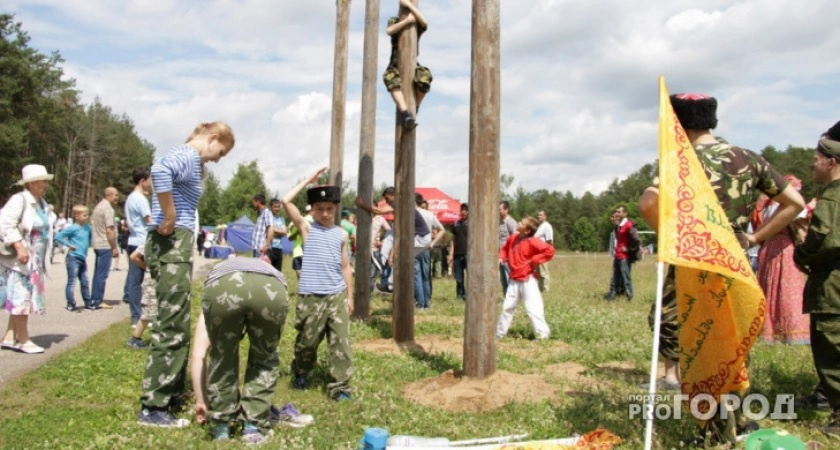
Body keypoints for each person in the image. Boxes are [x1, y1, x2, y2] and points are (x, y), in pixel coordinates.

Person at [638, 93, 804, 444]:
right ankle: (738, 421)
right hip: (735, 264)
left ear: (678, 124)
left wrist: (675, 239)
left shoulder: (679, 162)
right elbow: (794, 203)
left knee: (693, 340)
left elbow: (648, 202)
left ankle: (711, 428)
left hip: (693, 266)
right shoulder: (748, 158)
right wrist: (754, 238)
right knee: (733, 343)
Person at [137, 121, 235, 428]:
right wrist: (170, 214)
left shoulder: (189, 158)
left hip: (174, 243)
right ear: (213, 138)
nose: (218, 159)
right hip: (172, 242)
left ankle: (171, 394)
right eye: (221, 152)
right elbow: (159, 171)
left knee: (177, 321)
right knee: (171, 325)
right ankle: (154, 406)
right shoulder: (188, 155)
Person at [282, 166, 354, 401]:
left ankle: (341, 387)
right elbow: (286, 201)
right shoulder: (307, 227)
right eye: (320, 209)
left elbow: (345, 267)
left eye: (329, 209)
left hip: (336, 295)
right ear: (312, 209)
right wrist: (309, 180)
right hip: (311, 295)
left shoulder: (341, 234)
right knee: (307, 343)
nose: (324, 213)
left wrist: (350, 297)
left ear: (336, 209)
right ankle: (301, 372)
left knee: (340, 342)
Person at [199, 256, 290, 443]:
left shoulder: (222, 267)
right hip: (270, 287)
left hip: (223, 285)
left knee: (222, 355)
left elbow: (199, 353)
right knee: (264, 356)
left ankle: (221, 427)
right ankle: (253, 426)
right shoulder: (270, 270)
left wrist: (200, 400)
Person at [793, 120, 840, 436]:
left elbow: (825, 242)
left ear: (832, 162)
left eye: (816, 159)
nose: (812, 164)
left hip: (832, 288)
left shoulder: (832, 199)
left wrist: (801, 249)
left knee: (832, 352)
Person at [0, 164, 54, 354]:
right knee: (21, 297)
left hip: (34, 261)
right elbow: (4, 223)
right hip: (20, 260)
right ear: (31, 183)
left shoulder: (41, 203)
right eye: (42, 181)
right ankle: (23, 340)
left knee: (23, 297)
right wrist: (19, 246)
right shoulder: (19, 199)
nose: (46, 185)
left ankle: (9, 336)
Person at [757, 175, 810, 344]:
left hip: (768, 247)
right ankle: (791, 332)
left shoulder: (767, 206)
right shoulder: (786, 208)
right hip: (784, 249)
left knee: (772, 287)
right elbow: (800, 218)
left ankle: (770, 331)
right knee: (788, 289)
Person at [495, 216, 555, 340]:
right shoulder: (513, 238)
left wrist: (535, 259)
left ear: (527, 231)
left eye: (522, 223)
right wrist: (501, 257)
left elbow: (549, 251)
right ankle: (499, 333)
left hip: (528, 279)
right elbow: (504, 249)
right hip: (514, 279)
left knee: (533, 308)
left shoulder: (533, 241)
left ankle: (542, 335)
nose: (519, 223)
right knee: (507, 307)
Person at [383, 0, 432, 129]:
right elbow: (389, 30)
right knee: (390, 78)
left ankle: (415, 108)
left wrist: (410, 6)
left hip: (413, 62)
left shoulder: (416, 21)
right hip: (396, 62)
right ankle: (405, 114)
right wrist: (406, 21)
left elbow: (425, 22)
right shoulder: (395, 20)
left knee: (424, 77)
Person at [124, 168, 152, 327]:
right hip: (141, 241)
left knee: (135, 279)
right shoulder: (140, 199)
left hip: (133, 239)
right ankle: (137, 316)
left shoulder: (131, 198)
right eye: (150, 180)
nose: (152, 183)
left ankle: (138, 315)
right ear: (142, 181)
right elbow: (149, 220)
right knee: (137, 280)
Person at [54, 205, 93, 312]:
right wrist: (68, 244)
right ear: (76, 216)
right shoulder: (72, 228)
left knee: (85, 281)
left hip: (82, 257)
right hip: (73, 257)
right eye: (84, 215)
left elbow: (89, 239)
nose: (86, 217)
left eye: (87, 215)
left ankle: (88, 302)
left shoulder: (88, 227)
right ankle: (71, 302)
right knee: (72, 281)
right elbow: (58, 236)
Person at [90, 187, 119, 310]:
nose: (117, 198)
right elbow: (109, 230)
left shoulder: (98, 207)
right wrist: (114, 247)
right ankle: (97, 300)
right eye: (116, 195)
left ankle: (94, 298)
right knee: (102, 274)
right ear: (109, 195)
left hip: (97, 243)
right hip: (105, 244)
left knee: (97, 274)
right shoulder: (108, 209)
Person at [414, 193, 444, 309]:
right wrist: (432, 243)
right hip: (426, 247)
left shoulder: (411, 213)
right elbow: (442, 230)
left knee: (417, 276)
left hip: (415, 247)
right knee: (426, 276)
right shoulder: (430, 214)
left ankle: (420, 304)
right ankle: (427, 303)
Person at [604, 205, 639, 301]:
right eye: (616, 212)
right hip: (617, 255)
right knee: (615, 277)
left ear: (625, 213)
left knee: (626, 278)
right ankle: (612, 295)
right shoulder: (619, 226)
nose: (617, 214)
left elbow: (636, 240)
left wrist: (629, 249)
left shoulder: (629, 225)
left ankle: (629, 297)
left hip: (624, 257)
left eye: (619, 212)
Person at [126, 246, 156, 350]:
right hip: (152, 282)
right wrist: (146, 267)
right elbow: (134, 256)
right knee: (149, 312)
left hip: (161, 281)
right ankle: (135, 338)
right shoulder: (150, 242)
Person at [448, 203, 468, 301]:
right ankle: (460, 296)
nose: (463, 211)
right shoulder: (456, 224)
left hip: (469, 254)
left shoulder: (473, 224)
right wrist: (451, 254)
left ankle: (469, 295)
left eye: (465, 210)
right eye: (462, 209)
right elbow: (453, 240)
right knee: (459, 278)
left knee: (471, 277)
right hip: (457, 254)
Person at [498, 201, 517, 296]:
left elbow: (515, 239)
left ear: (506, 210)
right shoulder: (498, 222)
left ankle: (512, 297)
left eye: (500, 209)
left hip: (509, 256)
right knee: (503, 280)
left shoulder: (511, 222)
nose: (498, 211)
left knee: (510, 277)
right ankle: (506, 297)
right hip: (500, 256)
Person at [534, 210, 554, 292]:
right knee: (538, 272)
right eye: (538, 215)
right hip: (537, 252)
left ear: (545, 216)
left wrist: (546, 252)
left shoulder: (547, 226)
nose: (538, 216)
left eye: (540, 215)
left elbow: (549, 240)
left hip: (543, 251)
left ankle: (546, 290)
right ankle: (540, 289)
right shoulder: (540, 226)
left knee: (543, 272)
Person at [268, 198, 288, 272]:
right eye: (275, 207)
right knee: (268, 271)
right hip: (270, 248)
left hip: (279, 248)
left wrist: (273, 230)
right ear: (271, 207)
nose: (277, 209)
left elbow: (285, 232)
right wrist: (279, 231)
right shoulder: (268, 218)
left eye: (278, 207)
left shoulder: (281, 219)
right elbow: (268, 232)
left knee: (278, 272)